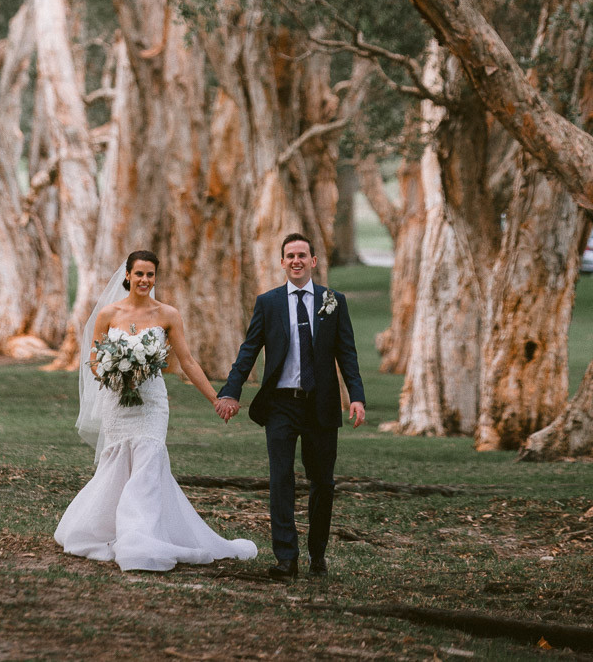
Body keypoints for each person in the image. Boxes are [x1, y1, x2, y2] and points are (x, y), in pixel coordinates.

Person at [55, 249, 258, 572]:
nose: (145, 280)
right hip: (117, 401)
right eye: (139, 274)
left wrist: (215, 398)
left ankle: (141, 537)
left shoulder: (168, 314)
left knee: (148, 461)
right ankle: (106, 529)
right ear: (127, 276)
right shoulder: (108, 314)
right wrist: (114, 370)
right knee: (118, 464)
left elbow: (187, 361)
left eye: (150, 274)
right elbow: (93, 361)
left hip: (151, 403)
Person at [215, 233, 366, 580]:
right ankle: (286, 558)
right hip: (281, 404)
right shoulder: (268, 303)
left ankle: (317, 554)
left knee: (323, 482)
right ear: (282, 262)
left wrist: (356, 396)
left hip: (321, 405)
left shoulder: (333, 301)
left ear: (313, 261)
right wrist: (231, 392)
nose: (296, 261)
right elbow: (249, 350)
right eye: (290, 256)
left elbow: (347, 353)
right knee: (280, 479)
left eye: (302, 255)